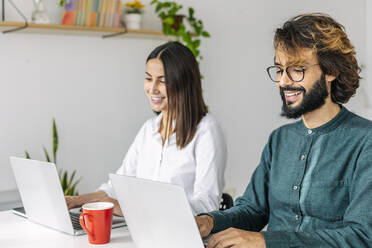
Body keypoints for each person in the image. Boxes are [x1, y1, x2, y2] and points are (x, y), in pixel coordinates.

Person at [196, 13, 372, 247]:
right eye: (279, 70)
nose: (283, 81)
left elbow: (360, 236)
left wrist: (266, 241)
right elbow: (252, 210)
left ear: (331, 71)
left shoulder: (364, 141)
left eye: (296, 69)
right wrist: (208, 221)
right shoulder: (279, 140)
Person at [66, 41, 227, 216]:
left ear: (184, 83)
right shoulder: (149, 130)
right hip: (143, 228)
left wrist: (131, 209)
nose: (152, 89)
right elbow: (115, 187)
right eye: (149, 79)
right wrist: (75, 201)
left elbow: (207, 204)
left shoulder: (206, 130)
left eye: (162, 81)